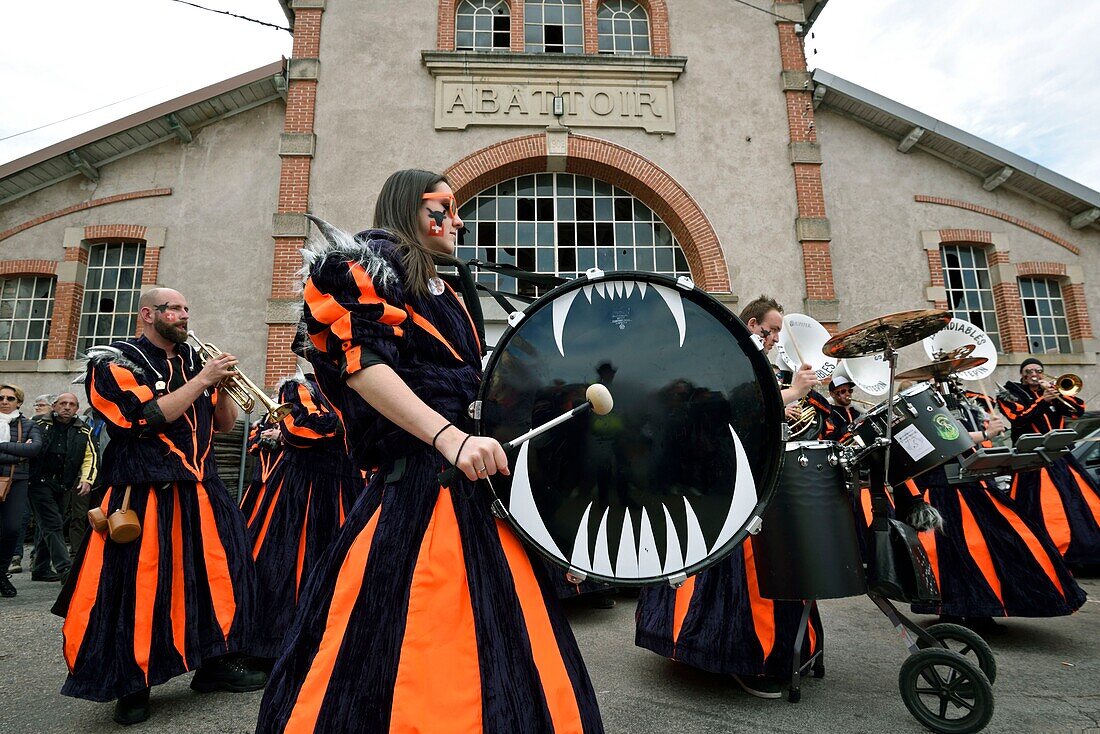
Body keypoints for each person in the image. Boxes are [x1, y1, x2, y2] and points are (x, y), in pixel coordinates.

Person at [256, 170, 603, 732]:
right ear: (406, 207)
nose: (458, 220)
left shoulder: (450, 292)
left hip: (474, 492)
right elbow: (363, 367)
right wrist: (449, 437)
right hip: (417, 486)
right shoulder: (359, 267)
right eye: (443, 207)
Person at [53, 287, 265, 725]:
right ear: (148, 314)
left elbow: (225, 424)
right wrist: (203, 380)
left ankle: (213, 664)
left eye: (188, 308)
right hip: (142, 492)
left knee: (220, 577)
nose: (185, 315)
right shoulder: (114, 362)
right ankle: (132, 683)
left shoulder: (192, 361)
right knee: (137, 588)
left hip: (203, 487)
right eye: (175, 309)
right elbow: (140, 419)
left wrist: (222, 388)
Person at [635, 295, 824, 700]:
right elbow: (733, 407)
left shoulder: (756, 361)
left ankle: (769, 651)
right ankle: (738, 654)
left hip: (755, 477)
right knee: (738, 565)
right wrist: (790, 393)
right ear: (753, 324)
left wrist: (785, 406)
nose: (776, 337)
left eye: (777, 331)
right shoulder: (732, 354)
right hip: (727, 484)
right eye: (772, 330)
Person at [908, 386, 1085, 628]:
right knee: (952, 553)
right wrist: (985, 433)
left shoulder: (944, 411)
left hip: (969, 485)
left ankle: (981, 609)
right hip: (940, 490)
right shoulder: (913, 423)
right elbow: (945, 440)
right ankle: (953, 610)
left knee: (999, 544)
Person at [246, 371, 362, 664]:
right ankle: (274, 648)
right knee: (286, 565)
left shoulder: (358, 385)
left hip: (347, 486)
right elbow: (301, 429)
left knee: (344, 567)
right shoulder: (299, 387)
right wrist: (352, 420)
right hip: (303, 491)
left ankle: (333, 643)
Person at [998, 357, 1100, 566]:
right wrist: (1042, 400)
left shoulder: (1054, 392)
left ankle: (1082, 549)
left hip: (1060, 457)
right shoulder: (1011, 395)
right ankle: (1045, 550)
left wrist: (1058, 394)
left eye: (1038, 370)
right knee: (1038, 505)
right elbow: (1018, 419)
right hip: (1031, 459)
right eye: (1028, 371)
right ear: (1022, 375)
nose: (1034, 374)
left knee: (1076, 502)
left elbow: (1078, 410)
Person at [27, 392, 97, 582]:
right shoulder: (38, 425)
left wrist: (86, 479)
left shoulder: (84, 430)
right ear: (54, 406)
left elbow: (90, 456)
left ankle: (40, 568)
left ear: (77, 409)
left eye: (72, 404)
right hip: (38, 482)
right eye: (63, 403)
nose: (67, 407)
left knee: (48, 525)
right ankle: (66, 570)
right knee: (53, 523)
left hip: (64, 484)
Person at [0, 384, 44, 598]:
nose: (5, 401)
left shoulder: (28, 424)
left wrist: (1, 445)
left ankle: (1, 573)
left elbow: (34, 449)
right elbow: (24, 452)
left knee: (11, 529)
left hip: (16, 481)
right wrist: (18, 453)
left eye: (10, 398)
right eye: (1, 398)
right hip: (12, 471)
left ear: (19, 402)